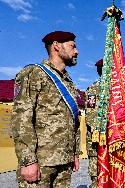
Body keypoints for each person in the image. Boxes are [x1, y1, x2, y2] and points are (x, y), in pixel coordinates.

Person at [12, 31, 80, 187]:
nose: (76, 51)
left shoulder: (68, 82)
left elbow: (74, 121)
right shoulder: (34, 73)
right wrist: (28, 161)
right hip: (41, 161)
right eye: (72, 46)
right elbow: (21, 119)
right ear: (56, 46)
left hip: (64, 160)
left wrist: (75, 153)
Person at [85, 59, 103, 188]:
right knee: (96, 167)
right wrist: (102, 131)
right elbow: (91, 115)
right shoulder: (94, 88)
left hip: (112, 137)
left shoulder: (116, 90)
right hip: (97, 135)